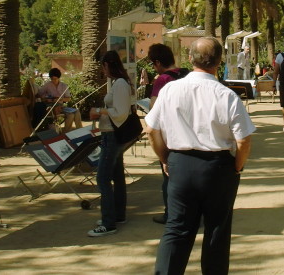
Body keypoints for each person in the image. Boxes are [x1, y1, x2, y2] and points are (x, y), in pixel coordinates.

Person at [145, 37, 255, 275]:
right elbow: (244, 139)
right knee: (217, 230)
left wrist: (165, 158)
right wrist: (237, 166)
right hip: (218, 167)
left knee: (177, 229)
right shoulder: (226, 95)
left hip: (180, 164)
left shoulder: (170, 90)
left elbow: (151, 127)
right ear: (218, 61)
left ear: (190, 59)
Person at [87, 51, 135, 237]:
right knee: (116, 176)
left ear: (108, 65)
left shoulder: (120, 84)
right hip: (111, 134)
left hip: (113, 136)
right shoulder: (119, 83)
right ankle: (117, 214)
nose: (102, 70)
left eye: (103, 66)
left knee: (103, 178)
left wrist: (99, 111)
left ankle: (108, 223)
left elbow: (121, 112)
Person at [148, 43, 189, 225]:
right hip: (188, 131)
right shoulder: (186, 74)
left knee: (168, 177)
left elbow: (153, 108)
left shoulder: (162, 80)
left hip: (169, 135)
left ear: (157, 62)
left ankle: (170, 213)